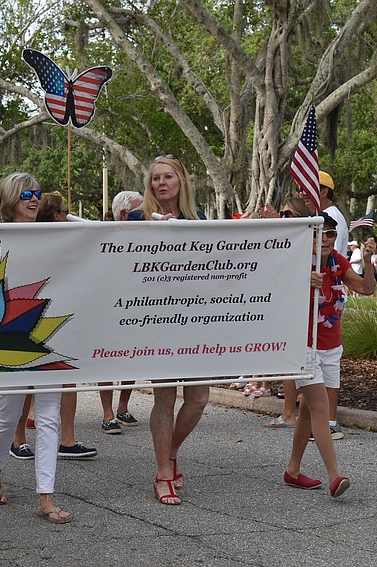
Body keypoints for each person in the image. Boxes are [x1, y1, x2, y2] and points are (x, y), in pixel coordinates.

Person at [0, 172, 72, 523]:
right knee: (9, 413)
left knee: (48, 416)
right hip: (8, 336)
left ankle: (46, 496)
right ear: (9, 200)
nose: (34, 199)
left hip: (50, 331)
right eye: (25, 195)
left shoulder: (57, 236)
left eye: (37, 193)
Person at [127, 155, 207, 505]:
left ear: (181, 181)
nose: (161, 183)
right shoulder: (135, 219)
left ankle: (171, 451)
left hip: (194, 317)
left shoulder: (199, 219)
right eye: (155, 178)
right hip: (154, 318)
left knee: (199, 398)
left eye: (168, 177)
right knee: (165, 396)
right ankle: (162, 473)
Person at [285, 212, 375, 499]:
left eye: (330, 234)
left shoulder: (339, 261)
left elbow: (366, 288)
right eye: (319, 233)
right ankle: (335, 475)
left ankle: (293, 471)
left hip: (331, 346)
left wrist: (370, 261)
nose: (325, 239)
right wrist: (303, 281)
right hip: (304, 346)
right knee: (321, 409)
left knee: (309, 412)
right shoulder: (296, 261)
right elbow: (277, 297)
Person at [35, 193, 97, 458]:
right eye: (63, 210)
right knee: (31, 381)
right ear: (54, 214)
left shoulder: (69, 233)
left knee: (67, 375)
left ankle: (67, 440)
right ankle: (19, 440)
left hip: (63, 310)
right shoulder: (34, 236)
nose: (67, 213)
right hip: (40, 311)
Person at [261, 195, 312, 429]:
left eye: (288, 214)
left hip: (306, 309)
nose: (283, 217)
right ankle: (291, 413)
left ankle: (295, 414)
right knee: (290, 362)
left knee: (296, 362)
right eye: (282, 213)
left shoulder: (307, 239)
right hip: (285, 302)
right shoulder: (288, 238)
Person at [99, 191, 145, 434]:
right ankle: (107, 414)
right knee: (106, 361)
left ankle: (123, 407)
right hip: (109, 308)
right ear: (125, 214)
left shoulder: (146, 238)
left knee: (131, 358)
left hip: (136, 307)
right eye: (141, 212)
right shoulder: (104, 237)